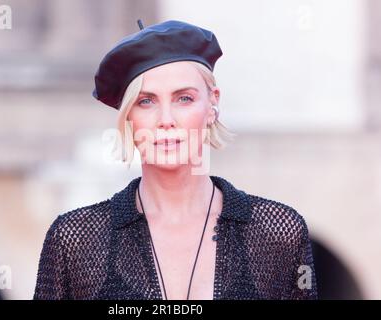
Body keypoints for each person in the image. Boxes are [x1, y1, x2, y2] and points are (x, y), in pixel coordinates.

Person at [33, 19, 317, 300]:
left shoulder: (277, 232)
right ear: (129, 117)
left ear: (211, 105)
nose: (166, 120)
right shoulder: (75, 240)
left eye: (184, 98)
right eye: (146, 101)